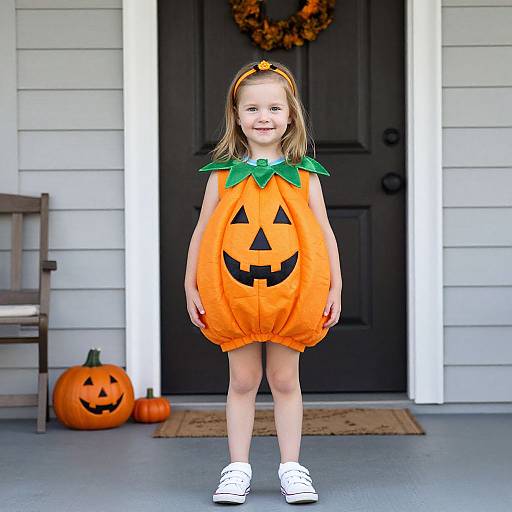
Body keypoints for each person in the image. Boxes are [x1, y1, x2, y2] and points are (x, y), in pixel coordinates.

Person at [184, 60, 342, 505]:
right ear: (237, 116)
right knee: (242, 381)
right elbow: (203, 233)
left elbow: (324, 234)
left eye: (274, 108)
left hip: (290, 298)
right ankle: (237, 469)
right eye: (252, 109)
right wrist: (190, 285)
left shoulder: (305, 176)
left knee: (284, 380)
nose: (264, 118)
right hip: (233, 297)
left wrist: (335, 288)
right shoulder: (221, 175)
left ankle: (292, 468)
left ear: (290, 115)